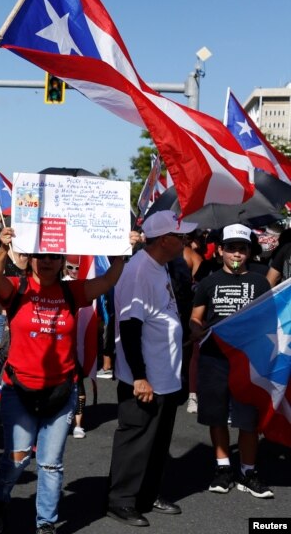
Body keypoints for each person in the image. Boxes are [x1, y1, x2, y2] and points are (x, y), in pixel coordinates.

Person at [0, 228, 124, 534]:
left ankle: (45, 524)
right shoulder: (18, 289)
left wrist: (122, 250)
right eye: (41, 255)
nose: (46, 261)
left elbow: (109, 280)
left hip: (61, 391)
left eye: (53, 256)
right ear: (31, 259)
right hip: (18, 390)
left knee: (50, 463)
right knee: (17, 458)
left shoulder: (73, 292)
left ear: (62, 261)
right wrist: (3, 248)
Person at [105, 210, 195, 527]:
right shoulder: (138, 271)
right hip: (145, 377)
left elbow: (162, 313)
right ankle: (121, 501)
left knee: (157, 442)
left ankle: (147, 494)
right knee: (135, 439)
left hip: (165, 375)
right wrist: (140, 376)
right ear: (165, 240)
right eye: (181, 236)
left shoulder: (161, 266)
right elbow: (129, 328)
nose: (185, 241)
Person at [188, 224, 274, 499]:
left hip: (249, 361)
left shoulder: (260, 283)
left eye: (242, 248)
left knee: (248, 420)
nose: (237, 253)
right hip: (215, 359)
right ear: (221, 251)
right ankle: (223, 468)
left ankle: (248, 472)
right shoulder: (209, 283)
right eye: (232, 248)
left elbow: (269, 321)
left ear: (249, 252)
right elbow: (196, 317)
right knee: (216, 416)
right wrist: (195, 329)